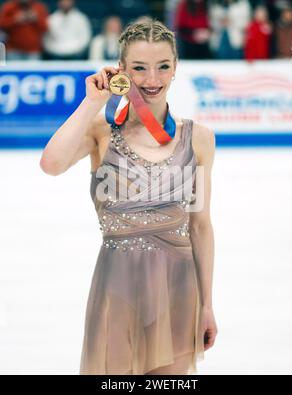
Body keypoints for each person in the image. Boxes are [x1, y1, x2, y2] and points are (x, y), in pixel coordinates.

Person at [40, 18, 217, 375]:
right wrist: (92, 103)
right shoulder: (101, 132)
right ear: (121, 70)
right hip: (117, 288)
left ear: (175, 68)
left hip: (179, 290)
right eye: (139, 68)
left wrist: (207, 304)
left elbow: (199, 225)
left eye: (163, 66)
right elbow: (51, 164)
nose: (152, 79)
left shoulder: (199, 138)